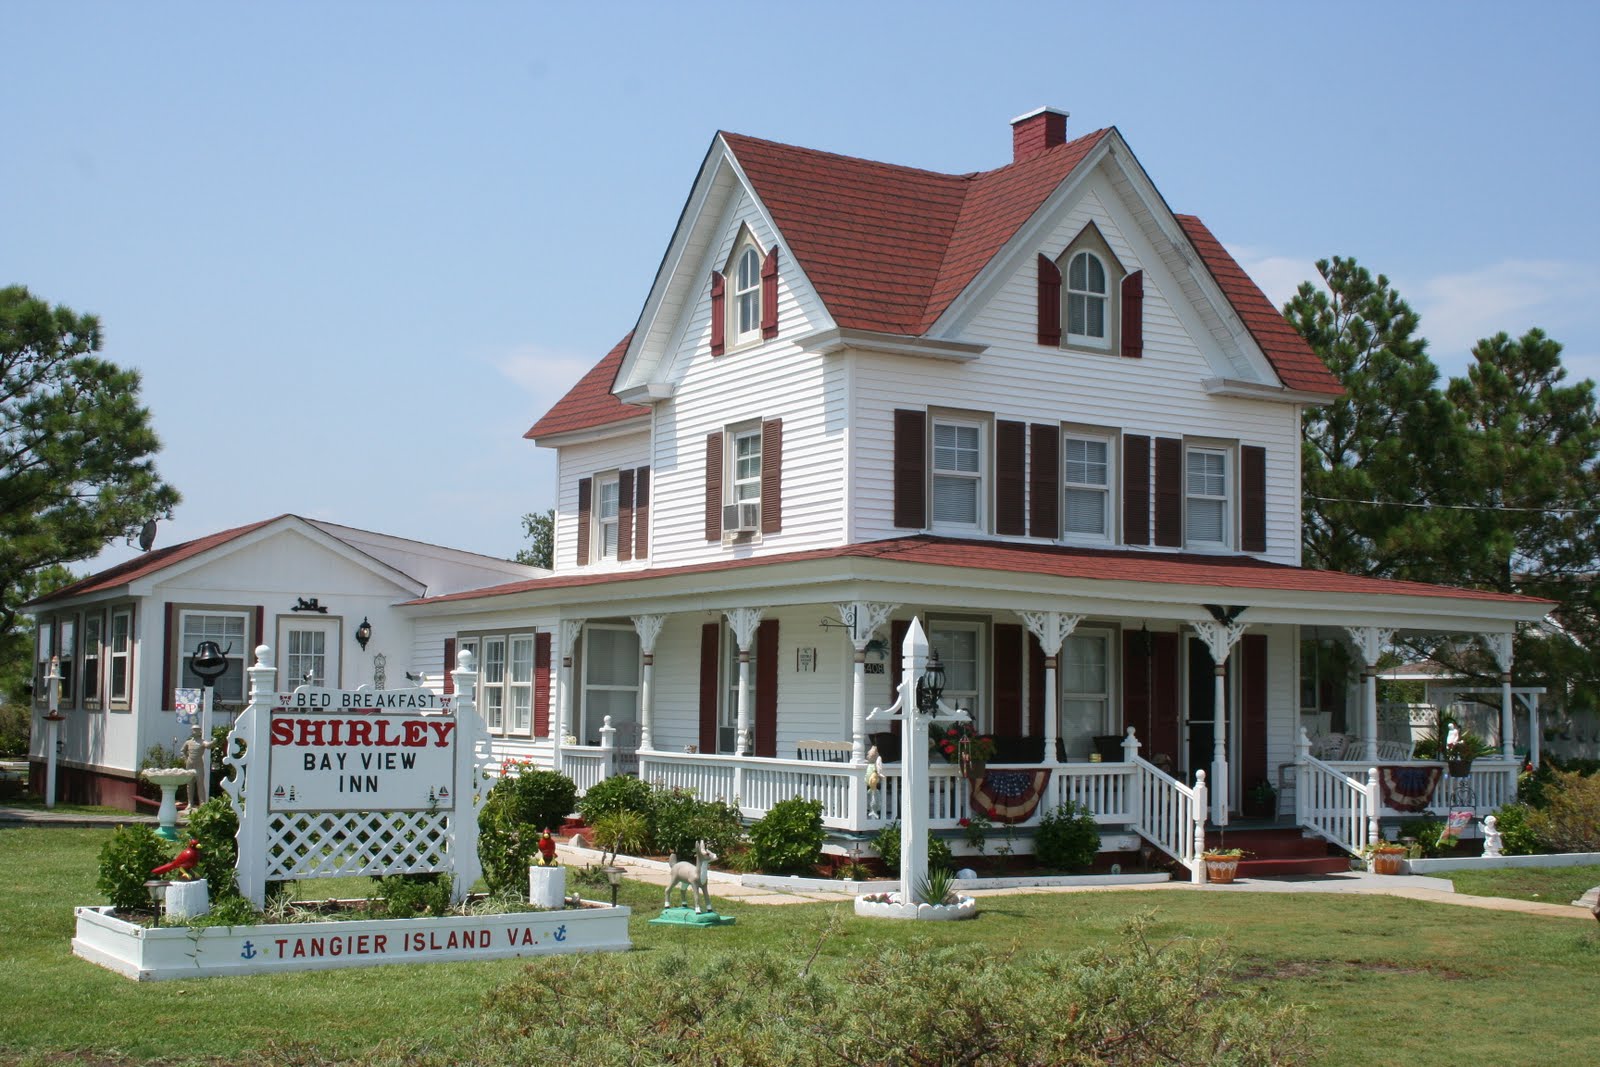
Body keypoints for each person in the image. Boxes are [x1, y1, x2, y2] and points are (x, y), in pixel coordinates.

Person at [181, 725, 208, 807]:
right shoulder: (188, 742)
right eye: (193, 730)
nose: (194, 731)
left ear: (200, 732)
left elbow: (208, 745)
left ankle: (202, 803)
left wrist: (214, 742)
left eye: (196, 730)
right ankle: (190, 803)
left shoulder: (202, 742)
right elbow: (182, 751)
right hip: (189, 763)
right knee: (189, 784)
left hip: (199, 764)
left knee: (200, 784)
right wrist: (186, 759)